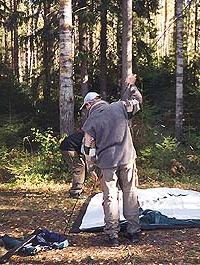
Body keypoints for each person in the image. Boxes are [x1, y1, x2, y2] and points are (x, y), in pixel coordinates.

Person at [81, 74, 142, 247]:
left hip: (107, 163)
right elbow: (137, 101)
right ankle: (134, 232)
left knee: (110, 196)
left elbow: (88, 149)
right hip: (127, 157)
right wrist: (131, 86)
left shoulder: (90, 122)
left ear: (88, 105)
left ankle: (113, 235)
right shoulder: (120, 106)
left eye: (85, 108)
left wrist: (91, 169)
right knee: (130, 193)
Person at [59, 131, 86, 199]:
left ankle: (78, 189)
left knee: (81, 166)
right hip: (68, 148)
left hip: (69, 146)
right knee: (78, 168)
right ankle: (75, 192)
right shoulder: (90, 136)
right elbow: (86, 151)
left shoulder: (90, 133)